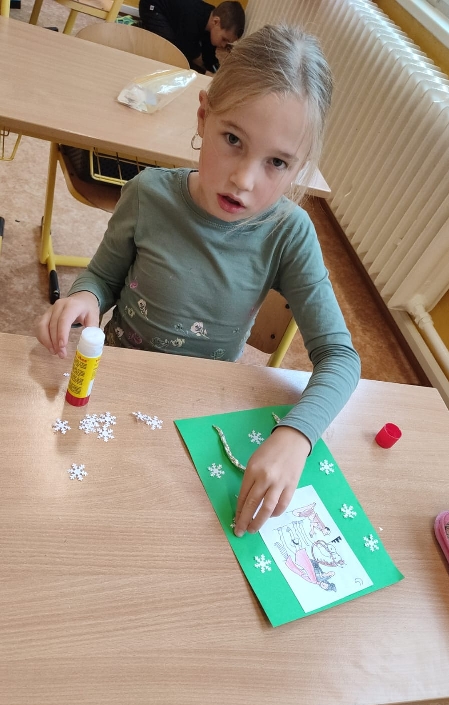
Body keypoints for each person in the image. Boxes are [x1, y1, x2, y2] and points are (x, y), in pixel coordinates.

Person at [36, 24, 361, 539]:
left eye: (277, 163)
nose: (244, 179)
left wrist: (297, 436)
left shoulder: (289, 233)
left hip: (198, 415)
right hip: (113, 388)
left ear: (300, 166)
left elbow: (341, 357)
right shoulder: (148, 194)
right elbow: (102, 277)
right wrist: (83, 296)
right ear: (204, 115)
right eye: (233, 140)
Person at [138, 0, 245, 74]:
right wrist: (205, 72)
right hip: (152, 6)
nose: (224, 45)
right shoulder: (192, 20)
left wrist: (216, 71)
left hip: (174, 14)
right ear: (216, 22)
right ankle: (141, 27)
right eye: (224, 39)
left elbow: (209, 55)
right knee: (170, 48)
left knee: (184, 41)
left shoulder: (211, 21)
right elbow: (186, 52)